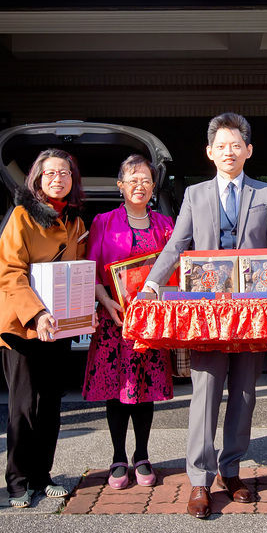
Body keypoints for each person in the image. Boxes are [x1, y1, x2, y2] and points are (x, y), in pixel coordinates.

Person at [143, 112, 267, 519]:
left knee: (247, 394)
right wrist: (152, 283)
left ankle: (230, 470)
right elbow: (177, 245)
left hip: (252, 314)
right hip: (207, 313)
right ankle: (199, 479)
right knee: (205, 393)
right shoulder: (195, 195)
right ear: (210, 152)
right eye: (222, 146)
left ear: (248, 151)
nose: (229, 152)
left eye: (237, 145)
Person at [0, 149, 89, 508]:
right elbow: (8, 272)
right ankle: (17, 482)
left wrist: (82, 313)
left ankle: (41, 475)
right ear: (37, 179)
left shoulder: (76, 222)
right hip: (23, 326)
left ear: (72, 180)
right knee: (22, 407)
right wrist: (37, 315)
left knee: (50, 404)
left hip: (58, 327)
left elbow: (78, 273)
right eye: (49, 174)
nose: (57, 179)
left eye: (64, 173)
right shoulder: (20, 217)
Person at [82, 154, 176, 490]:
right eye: (132, 179)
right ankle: (118, 457)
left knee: (145, 390)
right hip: (115, 320)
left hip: (151, 323)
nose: (140, 185)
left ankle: (142, 454)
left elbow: (175, 275)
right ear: (120, 185)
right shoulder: (103, 222)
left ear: (154, 187)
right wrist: (106, 301)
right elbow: (91, 269)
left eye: (146, 180)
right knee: (116, 391)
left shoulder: (166, 225)